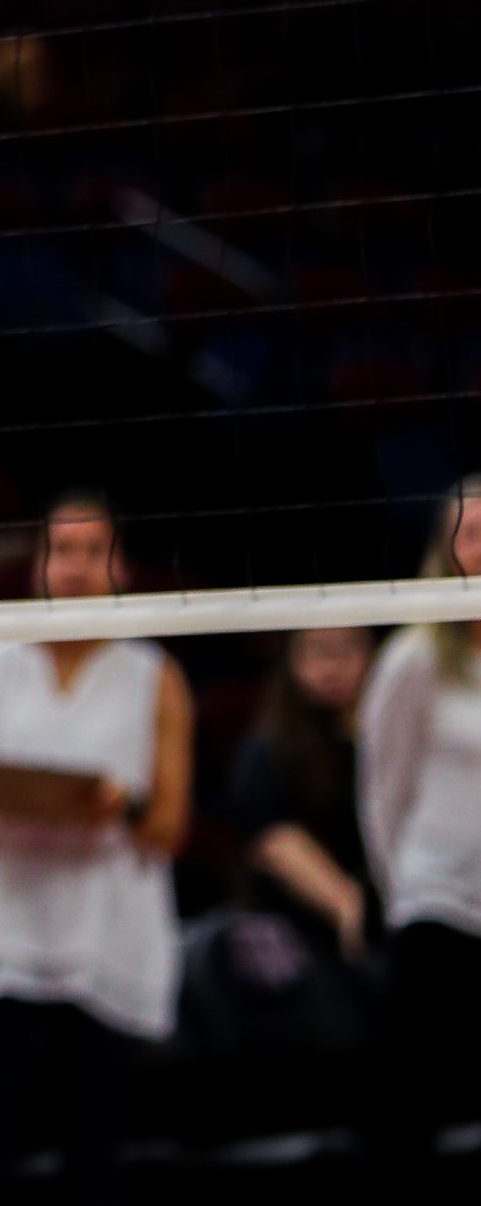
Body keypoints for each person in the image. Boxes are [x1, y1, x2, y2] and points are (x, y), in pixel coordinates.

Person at [0, 495, 193, 1206]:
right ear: (39, 562)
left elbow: (167, 830)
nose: (75, 568)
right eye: (61, 551)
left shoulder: (154, 676)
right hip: (0, 926)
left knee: (94, 1150)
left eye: (93, 551)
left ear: (121, 566)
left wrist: (120, 803)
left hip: (102, 932)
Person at [359, 477, 481, 1164]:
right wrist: (402, 886)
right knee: (414, 1102)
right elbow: (382, 790)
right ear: (447, 549)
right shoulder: (413, 657)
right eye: (471, 533)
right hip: (435, 903)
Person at [232, 624, 374, 961]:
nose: (332, 666)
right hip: (290, 933)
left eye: (346, 650)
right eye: (317, 651)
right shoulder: (267, 747)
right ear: (291, 659)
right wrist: (348, 908)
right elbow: (275, 839)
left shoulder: (386, 739)